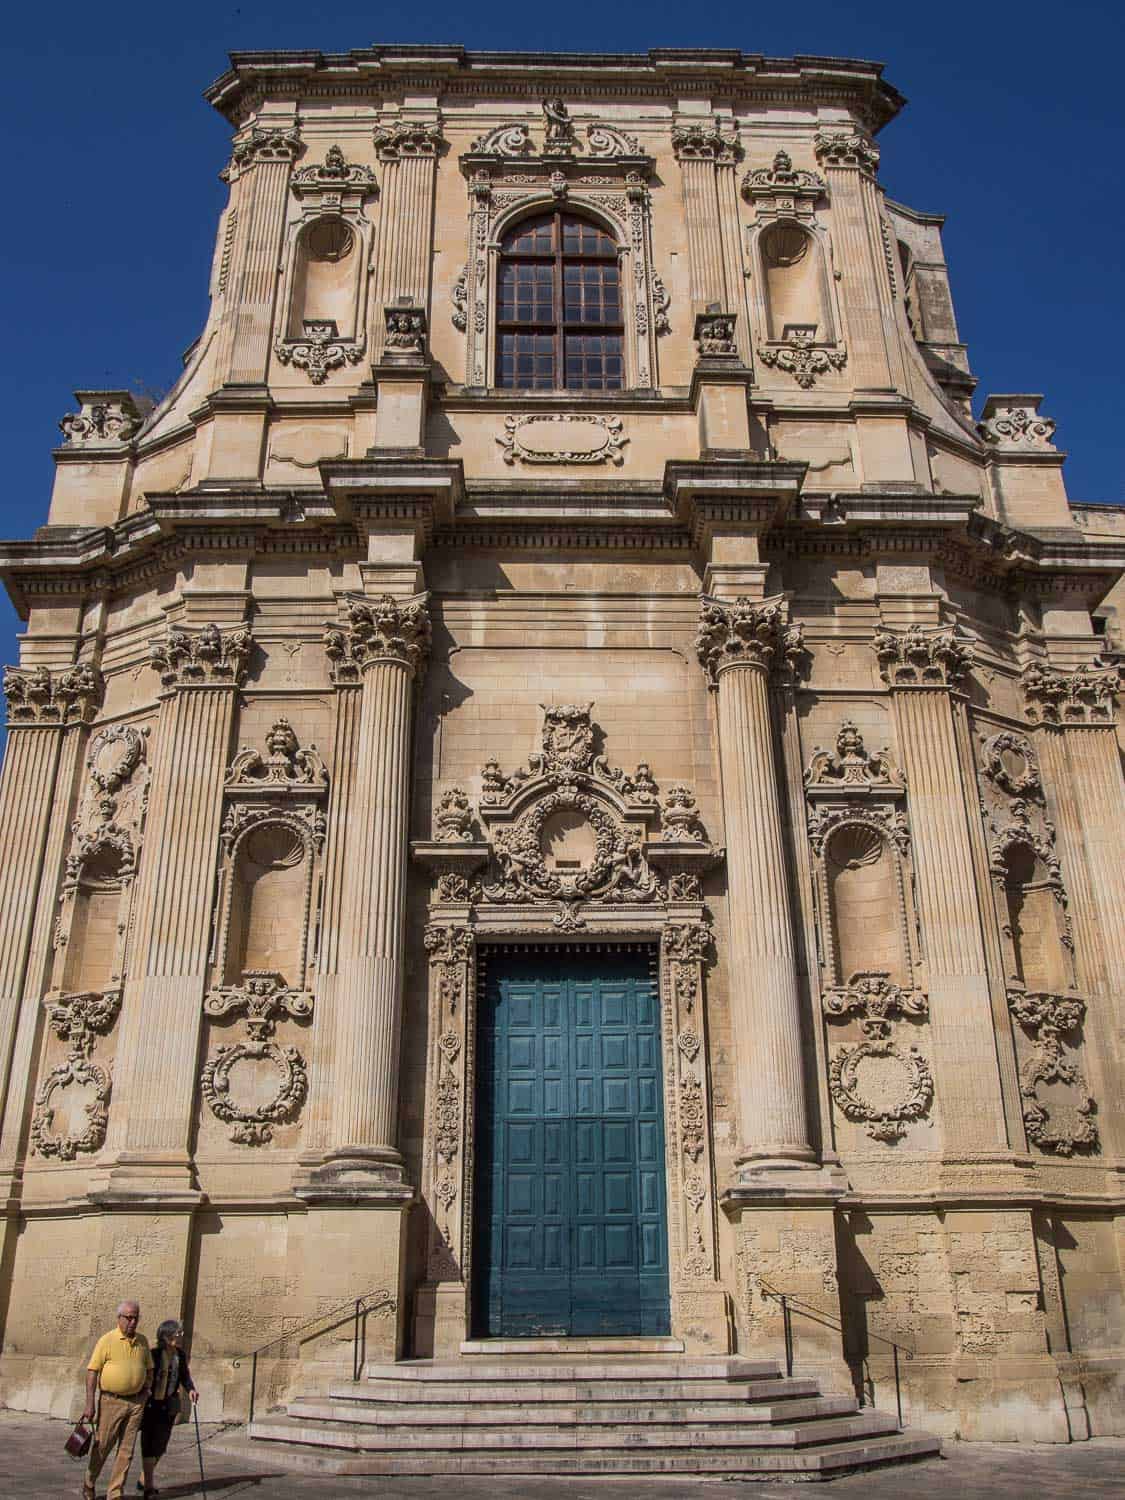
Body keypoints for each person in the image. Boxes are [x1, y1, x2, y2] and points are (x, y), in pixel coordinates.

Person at [82, 1300, 152, 1500]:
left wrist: (146, 1390)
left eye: (136, 1318)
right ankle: (89, 1482)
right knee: (103, 1445)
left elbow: (149, 1369)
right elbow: (92, 1372)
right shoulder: (107, 1340)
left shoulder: (142, 1341)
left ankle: (115, 1493)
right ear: (119, 1318)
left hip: (136, 1403)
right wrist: (90, 1403)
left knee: (126, 1450)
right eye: (128, 1318)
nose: (132, 1322)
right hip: (111, 1401)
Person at [137, 1319, 198, 1498]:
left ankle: (144, 1477)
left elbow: (185, 1376)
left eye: (180, 1334)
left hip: (169, 1405)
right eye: (177, 1333)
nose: (180, 1337)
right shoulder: (154, 1354)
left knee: (161, 1444)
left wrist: (191, 1390)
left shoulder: (180, 1354)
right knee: (149, 1443)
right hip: (152, 1404)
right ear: (166, 1335)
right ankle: (148, 1485)